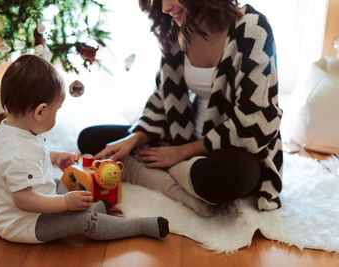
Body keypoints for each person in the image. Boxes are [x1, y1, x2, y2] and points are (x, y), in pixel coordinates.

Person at [78, 0, 283, 216]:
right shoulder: (176, 28)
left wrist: (180, 153)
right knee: (90, 140)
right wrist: (134, 139)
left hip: (234, 147)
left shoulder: (252, 28)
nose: (165, 7)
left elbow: (257, 119)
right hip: (179, 135)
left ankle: (159, 171)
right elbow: (163, 97)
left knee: (226, 178)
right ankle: (178, 181)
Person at [0, 54, 169, 244]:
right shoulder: (17, 152)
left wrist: (54, 158)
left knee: (59, 182)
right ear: (40, 111)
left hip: (27, 208)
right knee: (85, 221)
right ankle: (138, 226)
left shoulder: (10, 131)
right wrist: (65, 203)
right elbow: (23, 200)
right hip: (25, 224)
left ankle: (89, 207)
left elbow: (30, 159)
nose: (57, 114)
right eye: (57, 110)